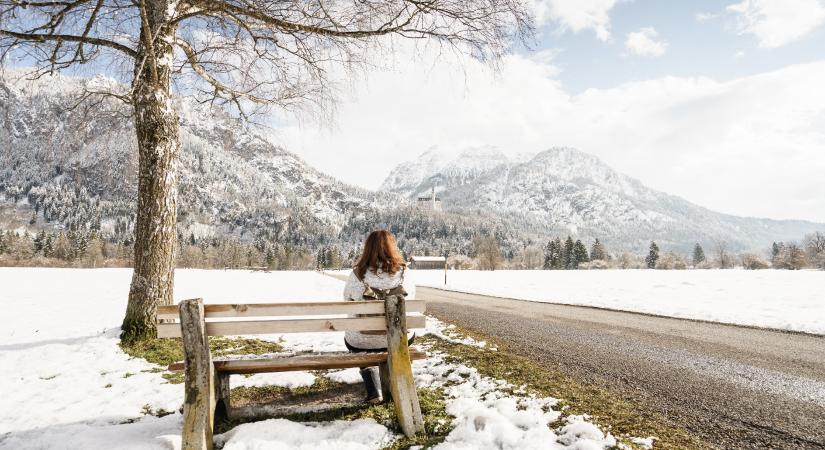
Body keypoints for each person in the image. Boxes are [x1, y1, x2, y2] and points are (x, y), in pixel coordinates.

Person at [343, 229, 416, 403]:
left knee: (354, 336)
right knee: (404, 336)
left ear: (367, 248)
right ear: (393, 248)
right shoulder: (405, 274)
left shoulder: (356, 274)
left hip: (361, 342)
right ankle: (394, 382)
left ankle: (371, 380)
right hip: (397, 339)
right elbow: (411, 298)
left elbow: (347, 300)